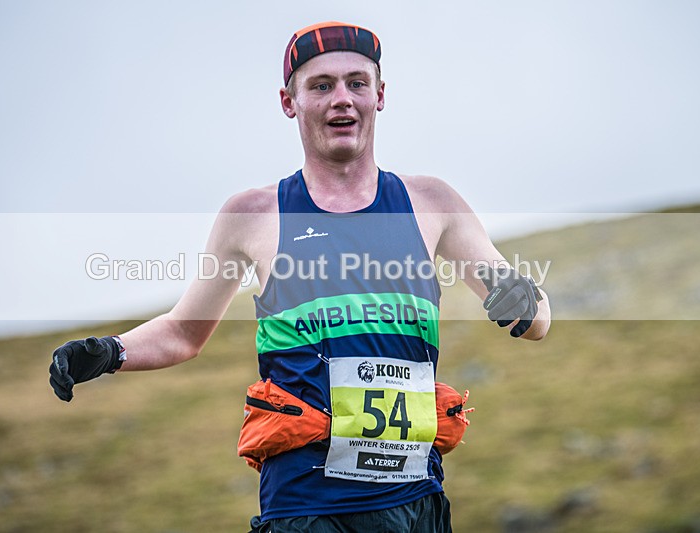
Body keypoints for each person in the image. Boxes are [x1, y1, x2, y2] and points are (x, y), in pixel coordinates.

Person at [49, 21, 551, 532]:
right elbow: (183, 332)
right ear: (290, 102)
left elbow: (535, 319)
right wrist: (109, 352)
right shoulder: (253, 215)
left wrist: (527, 304)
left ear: (380, 95)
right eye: (321, 85)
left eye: (357, 83)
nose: (342, 99)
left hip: (415, 501)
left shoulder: (432, 203)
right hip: (306, 509)